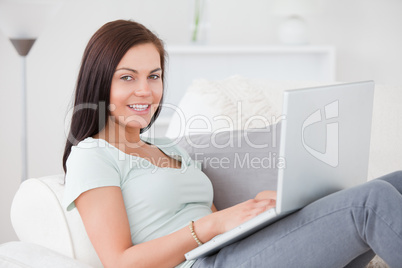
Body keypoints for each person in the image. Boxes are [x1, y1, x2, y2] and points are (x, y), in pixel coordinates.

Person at [62, 19, 402, 268]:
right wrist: (210, 226)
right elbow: (120, 262)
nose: (145, 91)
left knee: (395, 183)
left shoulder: (169, 147)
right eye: (127, 77)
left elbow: (214, 219)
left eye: (154, 75)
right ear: (99, 81)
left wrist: (266, 206)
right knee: (370, 202)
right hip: (206, 265)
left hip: (235, 250)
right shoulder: (92, 155)